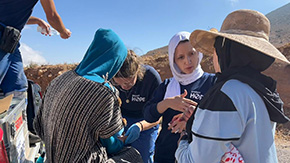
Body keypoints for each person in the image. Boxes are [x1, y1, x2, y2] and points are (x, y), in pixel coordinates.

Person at [175, 9, 290, 163]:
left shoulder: (227, 93)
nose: (214, 57)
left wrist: (183, 141)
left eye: (216, 49)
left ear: (225, 50)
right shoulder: (263, 90)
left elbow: (195, 160)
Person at [33, 28, 141, 162]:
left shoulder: (59, 80)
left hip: (50, 157)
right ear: (115, 61)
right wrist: (123, 140)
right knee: (134, 155)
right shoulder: (104, 91)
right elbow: (112, 145)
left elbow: (38, 125)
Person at [143, 31, 216, 163]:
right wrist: (168, 103)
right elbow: (148, 115)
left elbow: (219, 119)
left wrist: (190, 121)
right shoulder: (167, 85)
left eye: (191, 54)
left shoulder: (211, 83)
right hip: (165, 154)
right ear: (173, 60)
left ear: (198, 53)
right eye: (180, 57)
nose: (187, 61)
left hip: (197, 156)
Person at [0, 0, 71, 98]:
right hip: (4, 37)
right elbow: (52, 16)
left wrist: (37, 20)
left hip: (10, 40)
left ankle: (18, 111)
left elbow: (9, 12)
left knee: (18, 86)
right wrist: (63, 32)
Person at [112, 50, 162, 163]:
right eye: (118, 84)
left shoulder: (151, 78)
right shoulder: (110, 77)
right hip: (120, 119)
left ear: (137, 72)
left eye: (128, 83)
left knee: (143, 155)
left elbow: (157, 116)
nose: (124, 87)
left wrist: (140, 126)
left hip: (146, 120)